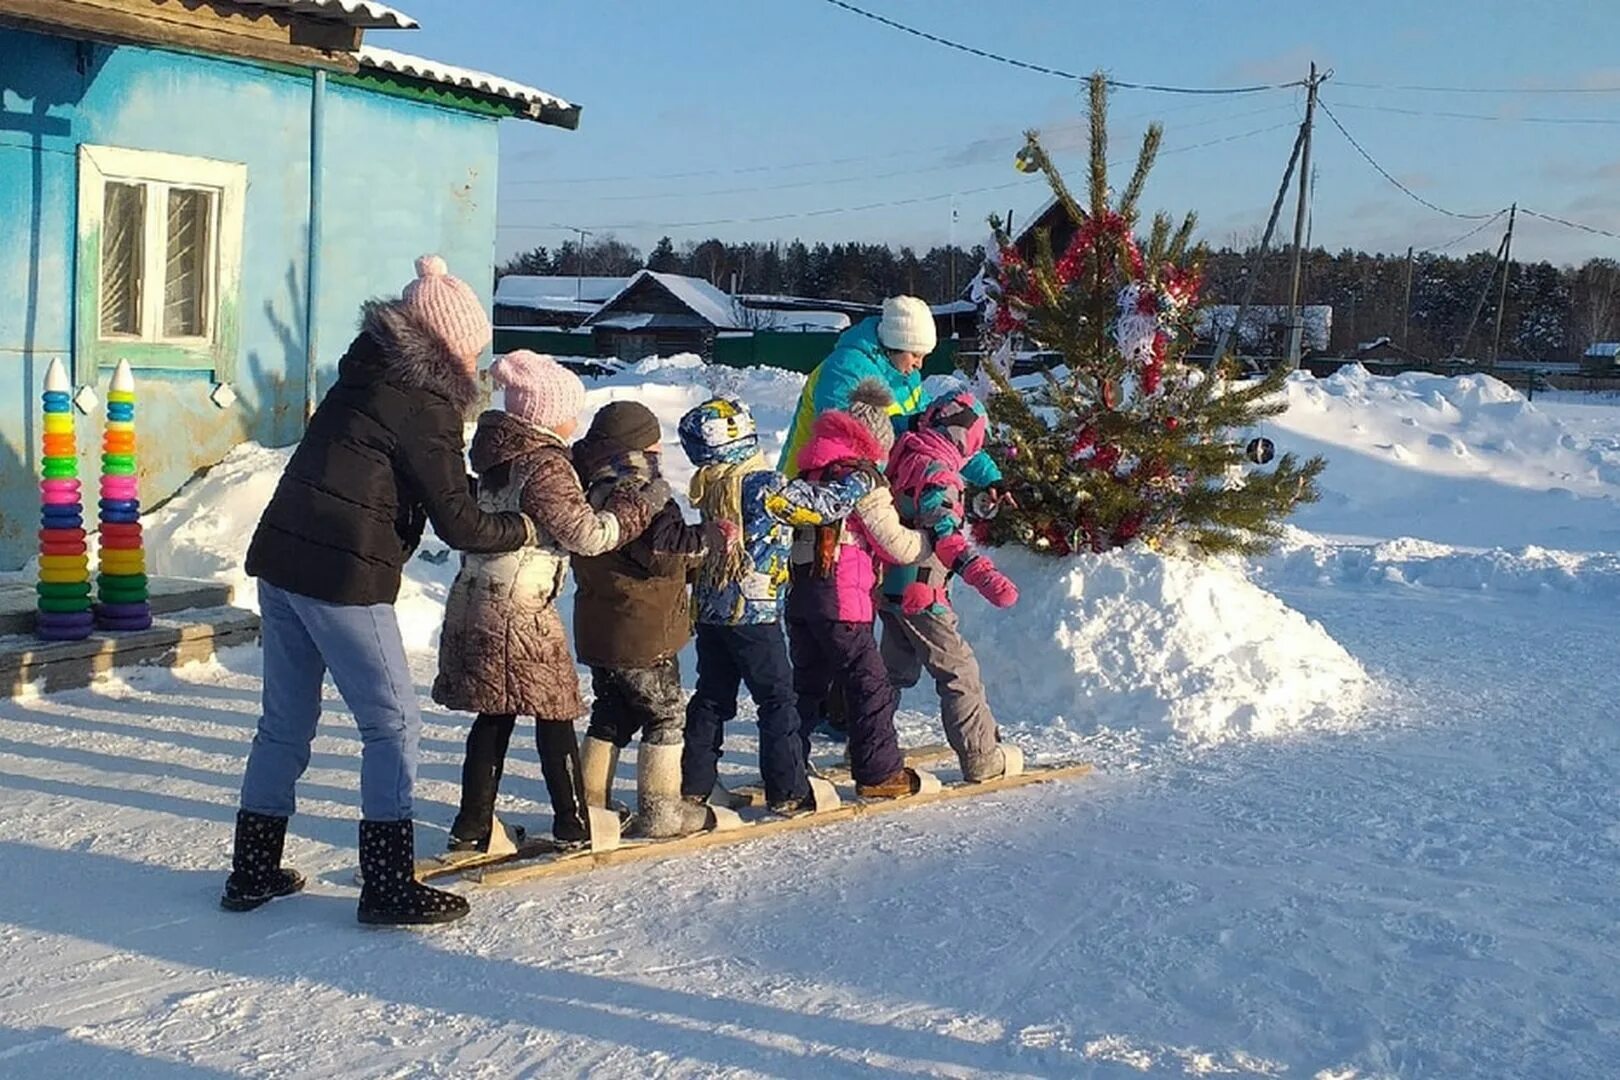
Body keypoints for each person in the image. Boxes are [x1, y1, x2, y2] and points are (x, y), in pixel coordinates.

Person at [225, 255, 534, 927]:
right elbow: (459, 522)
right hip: (342, 576)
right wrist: (524, 526)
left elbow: (412, 481)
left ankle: (251, 870)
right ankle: (388, 885)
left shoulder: (364, 377)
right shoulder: (424, 403)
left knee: (284, 723)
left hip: (283, 563)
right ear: (449, 346)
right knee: (391, 723)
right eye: (474, 350)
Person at [433, 351, 662, 855]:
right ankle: (573, 824)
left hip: (479, 596)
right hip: (521, 608)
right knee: (553, 711)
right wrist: (635, 505)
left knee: (497, 713)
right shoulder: (545, 464)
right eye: (569, 411)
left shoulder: (497, 454)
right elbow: (587, 533)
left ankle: (472, 826)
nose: (575, 422)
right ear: (546, 413)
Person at [675, 397, 871, 816]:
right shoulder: (762, 485)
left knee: (711, 697)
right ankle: (788, 790)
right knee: (778, 699)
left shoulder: (707, 483)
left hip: (712, 608)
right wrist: (861, 482)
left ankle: (696, 785)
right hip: (754, 614)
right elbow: (823, 507)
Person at [570, 401, 716, 838]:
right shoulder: (639, 489)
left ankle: (590, 804)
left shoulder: (586, 482)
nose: (658, 449)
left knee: (612, 713)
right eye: (653, 440)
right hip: (642, 630)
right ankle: (661, 811)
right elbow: (663, 554)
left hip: (601, 624)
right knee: (666, 716)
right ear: (636, 444)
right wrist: (708, 538)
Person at [785, 380, 934, 799]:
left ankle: (785, 764)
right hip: (842, 600)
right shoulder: (860, 481)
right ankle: (879, 773)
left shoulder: (809, 472)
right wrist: (929, 540)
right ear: (873, 442)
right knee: (868, 683)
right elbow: (895, 544)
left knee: (807, 684)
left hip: (800, 597)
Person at [882, 390, 1024, 783]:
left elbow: (966, 455)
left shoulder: (909, 446)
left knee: (891, 672)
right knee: (959, 671)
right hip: (923, 591)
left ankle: (869, 740)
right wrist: (985, 576)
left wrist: (992, 478)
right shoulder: (938, 474)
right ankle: (980, 755)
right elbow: (945, 534)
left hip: (891, 583)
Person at [778, 295, 1000, 490]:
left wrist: (991, 478)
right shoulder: (846, 369)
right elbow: (854, 440)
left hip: (866, 492)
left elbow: (941, 435)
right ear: (896, 343)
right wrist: (911, 424)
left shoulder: (905, 377)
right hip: (809, 492)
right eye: (915, 355)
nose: (919, 365)